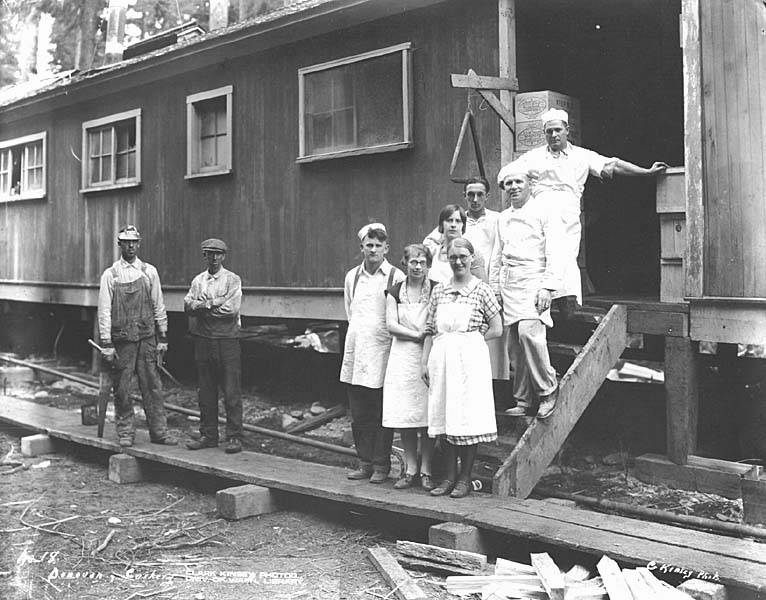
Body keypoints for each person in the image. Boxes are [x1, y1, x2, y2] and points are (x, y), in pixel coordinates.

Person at [496, 108, 668, 317]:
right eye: (549, 131)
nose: (554, 135)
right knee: (540, 254)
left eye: (558, 130)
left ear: (567, 130)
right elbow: (506, 174)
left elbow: (611, 165)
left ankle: (568, 305)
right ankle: (542, 303)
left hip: (567, 213)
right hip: (540, 212)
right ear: (544, 133)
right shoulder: (533, 157)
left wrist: (645, 171)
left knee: (566, 255)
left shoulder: (581, 156)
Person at [421, 238, 503, 498]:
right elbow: (431, 330)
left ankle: (465, 479)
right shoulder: (439, 291)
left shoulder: (482, 290)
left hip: (470, 363)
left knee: (467, 418)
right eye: (453, 256)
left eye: (463, 256)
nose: (458, 261)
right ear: (447, 258)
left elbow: (497, 328)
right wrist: (425, 362)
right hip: (442, 360)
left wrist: (471, 341)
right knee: (445, 415)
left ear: (471, 258)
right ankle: (448, 477)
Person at [490, 169, 565, 419]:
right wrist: (495, 289)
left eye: (518, 181)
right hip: (509, 283)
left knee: (529, 334)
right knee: (514, 345)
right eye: (508, 183)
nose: (513, 186)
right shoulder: (503, 218)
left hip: (534, 280)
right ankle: (523, 400)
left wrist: (547, 287)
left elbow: (556, 251)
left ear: (529, 184)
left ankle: (548, 390)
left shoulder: (544, 212)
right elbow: (497, 256)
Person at [97, 225, 176, 447]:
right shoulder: (110, 275)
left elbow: (158, 305)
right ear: (119, 244)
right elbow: (104, 311)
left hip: (147, 339)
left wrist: (163, 337)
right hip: (122, 342)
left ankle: (159, 433)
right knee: (122, 388)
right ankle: (125, 433)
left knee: (152, 385)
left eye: (134, 242)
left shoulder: (149, 272)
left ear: (138, 244)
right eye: (126, 241)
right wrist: (106, 343)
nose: (130, 246)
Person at [340, 223, 405, 483]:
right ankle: (364, 462)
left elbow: (399, 315)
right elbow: (350, 312)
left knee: (380, 413)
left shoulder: (395, 277)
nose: (374, 249)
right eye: (369, 245)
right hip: (357, 355)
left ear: (386, 248)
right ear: (362, 248)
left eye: (379, 245)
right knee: (360, 413)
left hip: (383, 354)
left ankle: (381, 466)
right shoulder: (352, 277)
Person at [382, 244, 437, 491]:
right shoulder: (394, 292)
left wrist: (424, 338)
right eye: (413, 262)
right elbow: (391, 325)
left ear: (428, 264)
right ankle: (410, 468)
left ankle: (426, 469)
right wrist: (416, 335)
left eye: (422, 262)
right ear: (405, 263)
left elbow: (434, 324)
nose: (417, 266)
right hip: (402, 356)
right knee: (406, 415)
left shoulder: (436, 290)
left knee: (425, 416)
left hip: (428, 354)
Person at [184, 238, 244, 454]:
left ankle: (234, 437)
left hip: (227, 341)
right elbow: (188, 305)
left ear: (224, 256)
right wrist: (212, 303)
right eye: (210, 253)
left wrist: (203, 308)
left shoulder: (232, 280)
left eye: (218, 254)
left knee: (231, 391)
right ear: (205, 256)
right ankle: (208, 435)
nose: (214, 257)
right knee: (206, 392)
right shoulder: (198, 281)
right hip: (203, 341)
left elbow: (231, 310)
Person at [423, 204, 487, 285]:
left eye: (458, 221)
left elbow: (483, 287)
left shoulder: (472, 253)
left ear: (463, 225)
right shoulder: (432, 251)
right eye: (449, 220)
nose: (453, 225)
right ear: (442, 224)